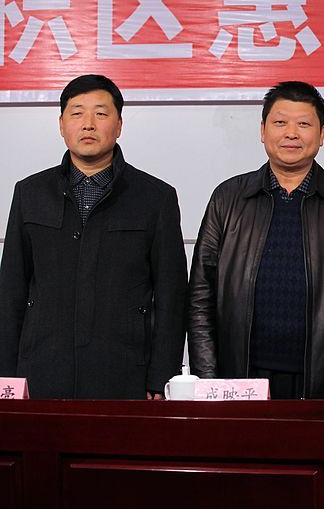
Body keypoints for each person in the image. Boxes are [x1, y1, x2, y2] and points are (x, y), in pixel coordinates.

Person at [0, 74, 187, 399]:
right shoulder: (30, 193)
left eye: (101, 113)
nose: (88, 124)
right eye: (77, 113)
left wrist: (161, 378)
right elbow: (11, 291)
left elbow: (172, 297)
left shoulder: (155, 198)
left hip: (124, 374)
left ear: (119, 125)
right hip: (41, 372)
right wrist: (6, 378)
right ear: (61, 125)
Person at [188, 81, 324, 399]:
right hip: (240, 377)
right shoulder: (228, 198)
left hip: (321, 379)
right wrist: (208, 380)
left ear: (322, 134)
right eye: (280, 122)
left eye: (304, 124)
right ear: (263, 131)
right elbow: (201, 297)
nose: (291, 134)